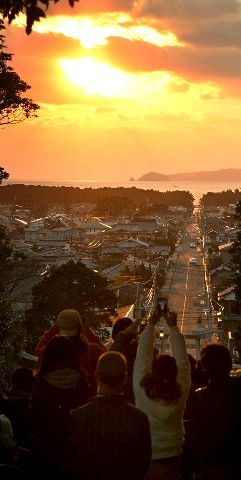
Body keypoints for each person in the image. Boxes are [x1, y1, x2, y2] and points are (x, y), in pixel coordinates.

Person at [65, 351, 152, 480]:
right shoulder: (139, 419)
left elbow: (71, 462)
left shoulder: (78, 417)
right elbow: (142, 463)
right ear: (125, 378)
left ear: (96, 376)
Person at [133, 309, 190, 480]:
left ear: (153, 372)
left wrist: (151, 324)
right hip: (174, 455)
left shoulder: (141, 389)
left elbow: (142, 355)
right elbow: (183, 362)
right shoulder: (180, 391)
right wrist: (173, 327)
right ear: (175, 374)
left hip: (146, 456)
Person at [30, 335, 89, 478]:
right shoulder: (80, 381)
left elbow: (34, 419)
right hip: (75, 449)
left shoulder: (41, 383)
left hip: (46, 451)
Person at [187, 343, 241, 480]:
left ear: (204, 367)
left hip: (211, 466)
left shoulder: (199, 398)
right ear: (229, 365)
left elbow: (194, 439)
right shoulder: (236, 391)